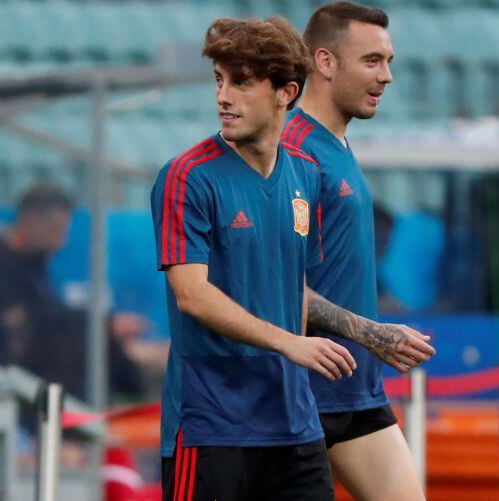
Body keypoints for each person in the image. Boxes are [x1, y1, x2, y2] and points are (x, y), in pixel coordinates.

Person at [150, 16, 357, 501]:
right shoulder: (187, 176)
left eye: (241, 82)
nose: (224, 96)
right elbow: (192, 295)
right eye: (220, 81)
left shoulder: (307, 174)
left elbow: (290, 285)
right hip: (212, 426)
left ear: (287, 92)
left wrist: (369, 332)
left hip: (294, 426)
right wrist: (289, 342)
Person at [283, 3, 434, 499]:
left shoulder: (337, 146)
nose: (386, 76)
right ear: (325, 63)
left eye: (388, 61)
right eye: (372, 61)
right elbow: (270, 283)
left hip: (356, 390)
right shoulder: (293, 152)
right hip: (301, 393)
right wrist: (372, 332)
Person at [0, 183, 146, 400]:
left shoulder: (35, 266)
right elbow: (36, 328)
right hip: (28, 383)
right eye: (56, 231)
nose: (61, 242)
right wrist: (105, 325)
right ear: (31, 221)